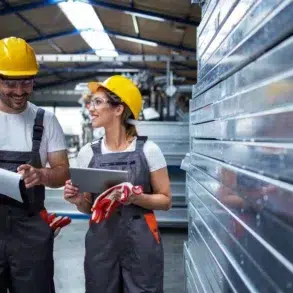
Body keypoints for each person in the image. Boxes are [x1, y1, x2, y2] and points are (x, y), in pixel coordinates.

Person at [64, 75, 172, 293]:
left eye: (98, 102)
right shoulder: (87, 153)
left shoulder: (149, 150)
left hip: (140, 240)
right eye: (91, 102)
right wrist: (78, 201)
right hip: (101, 241)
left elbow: (166, 200)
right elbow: (88, 207)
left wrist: (137, 198)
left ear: (118, 109)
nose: (90, 107)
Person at [0, 37, 70, 292]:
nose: (19, 92)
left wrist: (40, 175)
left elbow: (63, 172)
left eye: (26, 82)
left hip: (29, 228)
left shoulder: (46, 120)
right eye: (10, 84)